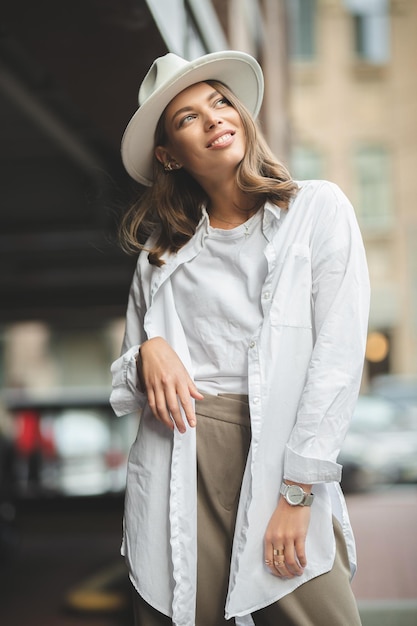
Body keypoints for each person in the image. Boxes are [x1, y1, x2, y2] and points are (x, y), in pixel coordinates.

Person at [110, 50, 370, 626]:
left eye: (220, 102)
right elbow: (127, 382)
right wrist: (147, 353)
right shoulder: (160, 254)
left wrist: (297, 493)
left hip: (279, 452)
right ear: (167, 156)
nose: (213, 119)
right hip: (181, 453)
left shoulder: (316, 210)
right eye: (187, 118)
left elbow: (338, 358)